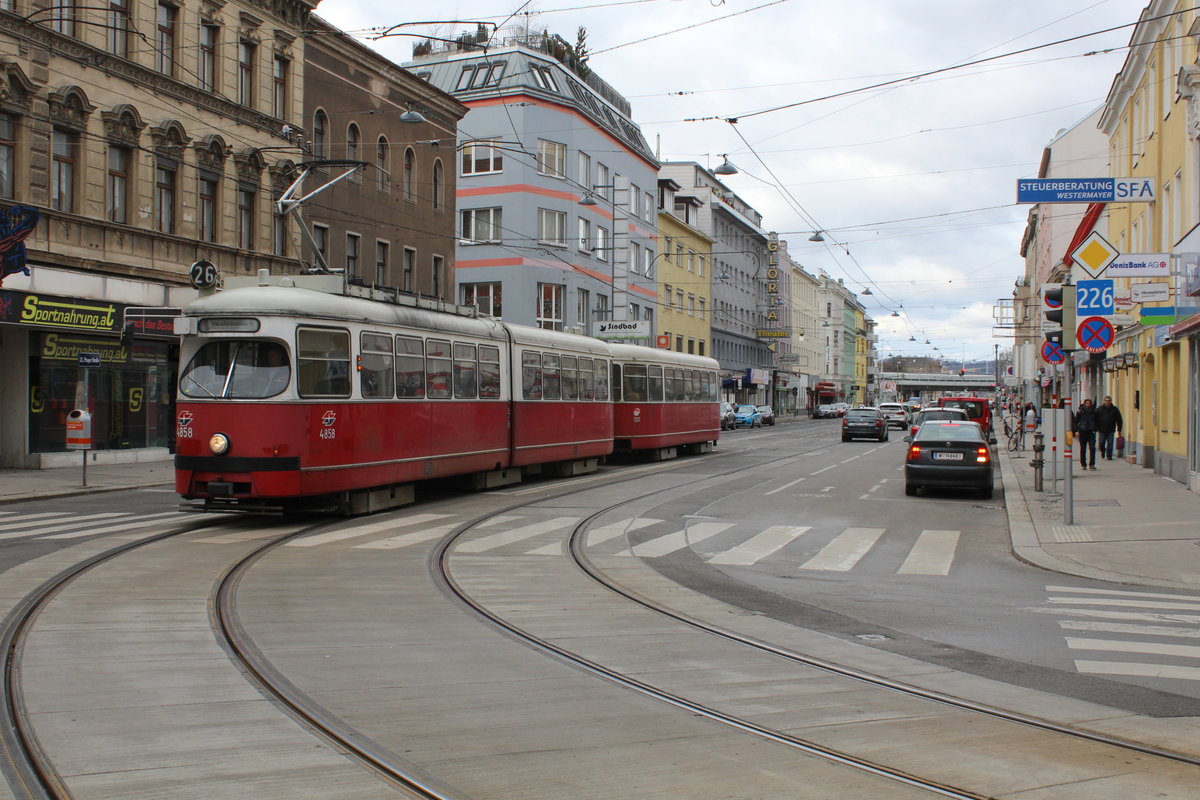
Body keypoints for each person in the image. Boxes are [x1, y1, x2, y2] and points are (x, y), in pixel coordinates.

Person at [1095, 395, 1123, 461]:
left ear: (1111, 401)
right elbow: (1095, 419)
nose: (1107, 402)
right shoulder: (1099, 409)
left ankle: (1109, 455)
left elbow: (1119, 420)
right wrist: (1096, 427)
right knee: (1101, 442)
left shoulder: (1115, 409)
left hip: (1111, 429)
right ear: (1104, 401)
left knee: (1110, 443)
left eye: (1109, 401)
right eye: (1106, 401)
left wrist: (1119, 430)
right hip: (1102, 429)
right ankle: (1103, 451)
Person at [1073, 398, 1098, 470]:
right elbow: (1075, 422)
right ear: (1084, 404)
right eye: (1087, 403)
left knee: (1092, 448)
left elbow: (1097, 421)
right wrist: (1076, 431)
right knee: (1083, 449)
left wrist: (1095, 429)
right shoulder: (1080, 412)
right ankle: (1083, 464)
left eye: (1089, 403)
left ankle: (1092, 464)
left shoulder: (1094, 412)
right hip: (1082, 432)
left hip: (1091, 432)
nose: (1088, 404)